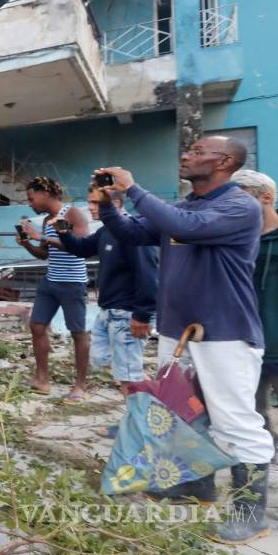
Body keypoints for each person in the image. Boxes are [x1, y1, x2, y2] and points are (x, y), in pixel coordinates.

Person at [95, 135, 272, 544]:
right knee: (184, 414)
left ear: (224, 161)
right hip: (178, 330)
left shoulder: (239, 206)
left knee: (237, 423)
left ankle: (250, 512)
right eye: (188, 150)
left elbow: (185, 228)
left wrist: (133, 188)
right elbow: (129, 232)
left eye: (197, 152)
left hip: (224, 332)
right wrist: (108, 203)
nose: (187, 156)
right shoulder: (184, 206)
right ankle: (197, 486)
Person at [55, 185, 158, 438]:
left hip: (126, 314)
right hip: (107, 312)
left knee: (128, 376)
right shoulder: (106, 231)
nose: (89, 207)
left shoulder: (134, 234)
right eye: (89, 202)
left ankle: (139, 428)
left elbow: (149, 275)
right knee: (110, 363)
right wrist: (65, 234)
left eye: (95, 202)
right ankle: (148, 407)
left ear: (116, 204)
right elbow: (81, 249)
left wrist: (142, 315)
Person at [16, 177, 92, 401]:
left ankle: (81, 385)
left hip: (73, 282)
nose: (30, 203)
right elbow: (45, 254)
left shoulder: (73, 214)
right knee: (37, 326)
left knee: (78, 333)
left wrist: (44, 238)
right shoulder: (47, 219)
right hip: (51, 281)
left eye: (31, 198)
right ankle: (42, 380)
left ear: (45, 194)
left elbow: (83, 247)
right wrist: (29, 243)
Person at [233, 171, 278, 454]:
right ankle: (265, 461)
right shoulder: (236, 239)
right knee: (253, 411)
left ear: (266, 198)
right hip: (245, 341)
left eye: (240, 198)